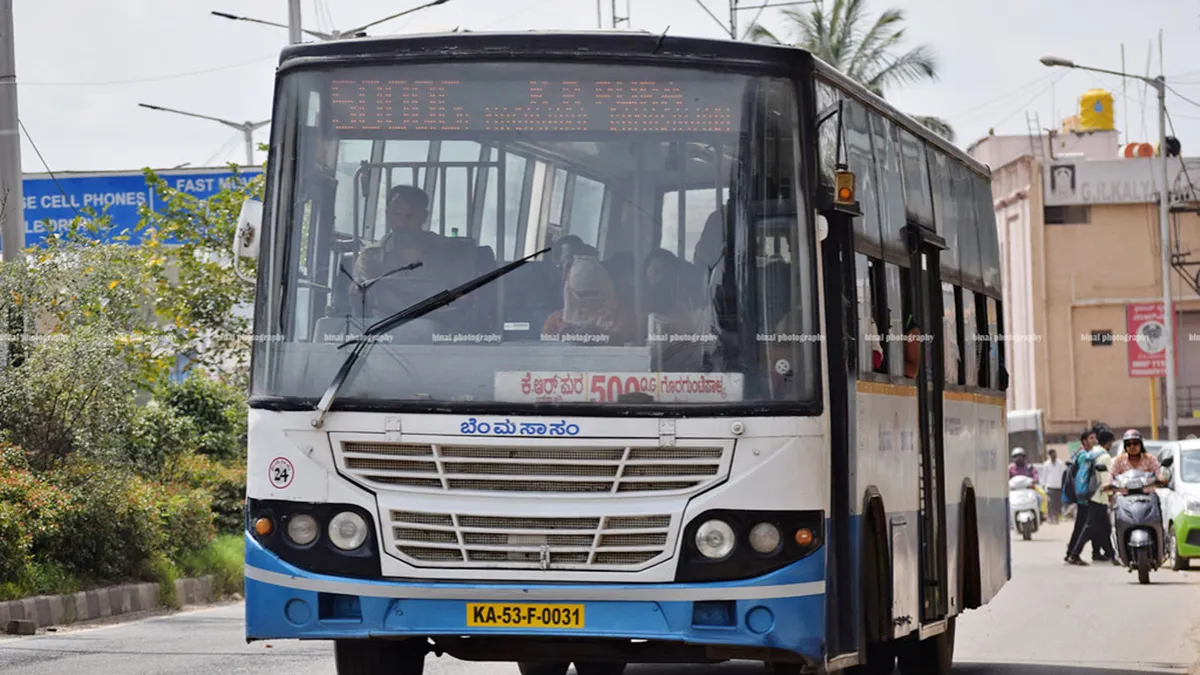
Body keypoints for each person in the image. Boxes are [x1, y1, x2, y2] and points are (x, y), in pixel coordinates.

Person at [354, 185, 444, 286]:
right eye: (397, 214)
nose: (403, 222)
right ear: (388, 215)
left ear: (424, 216)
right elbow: (362, 293)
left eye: (410, 216)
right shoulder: (371, 256)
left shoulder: (447, 252)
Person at [542, 257, 633, 345]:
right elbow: (545, 351)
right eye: (580, 295)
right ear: (569, 293)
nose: (586, 301)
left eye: (593, 294)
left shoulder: (622, 317)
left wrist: (600, 333)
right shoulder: (556, 321)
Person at [1064, 428, 1105, 565]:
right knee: (1083, 526)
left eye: (1095, 438)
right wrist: (1101, 451)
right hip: (1084, 497)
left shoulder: (1081, 454)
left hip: (1084, 497)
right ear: (1084, 441)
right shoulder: (1084, 456)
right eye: (1091, 438)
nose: (1095, 441)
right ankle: (1073, 554)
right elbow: (1084, 475)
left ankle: (1073, 552)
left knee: (1083, 525)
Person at [1088, 424, 1117, 563]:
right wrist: (1111, 497)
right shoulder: (1105, 457)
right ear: (1109, 442)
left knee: (1100, 527)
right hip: (1100, 497)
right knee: (1098, 527)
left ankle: (1099, 553)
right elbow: (1107, 481)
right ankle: (1074, 551)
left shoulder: (1094, 451)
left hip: (1090, 494)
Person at [1040, 448, 1069, 524]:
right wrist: (1043, 485)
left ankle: (1056, 517)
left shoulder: (1061, 463)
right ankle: (1051, 517)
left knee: (1058, 503)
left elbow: (1064, 474)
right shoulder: (1046, 464)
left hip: (1059, 486)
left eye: (1054, 454)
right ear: (1049, 455)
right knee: (1051, 503)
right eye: (1052, 454)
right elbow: (1044, 476)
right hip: (1050, 486)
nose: (1054, 455)